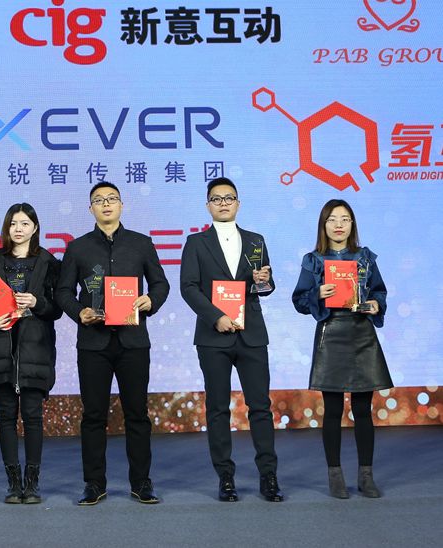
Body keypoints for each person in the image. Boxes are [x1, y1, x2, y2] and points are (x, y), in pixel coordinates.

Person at [55, 182, 169, 506]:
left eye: (111, 199)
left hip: (133, 342)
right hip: (94, 343)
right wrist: (80, 312)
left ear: (122, 205)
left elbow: (160, 284)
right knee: (93, 416)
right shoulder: (77, 248)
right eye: (98, 200)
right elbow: (63, 291)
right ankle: (94, 484)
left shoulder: (141, 244)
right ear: (90, 208)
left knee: (137, 414)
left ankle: (141, 482)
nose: (106, 204)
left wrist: (150, 300)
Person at [179, 177, 282, 502]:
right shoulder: (196, 242)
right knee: (218, 408)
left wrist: (264, 281)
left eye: (229, 197)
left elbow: (265, 287)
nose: (223, 203)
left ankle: (269, 476)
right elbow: (188, 287)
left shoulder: (255, 240)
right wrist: (216, 317)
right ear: (207, 205)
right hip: (213, 337)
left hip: (252, 334)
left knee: (261, 407)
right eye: (217, 198)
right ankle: (225, 477)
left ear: (238, 203)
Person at [292, 199, 392, 499]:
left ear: (352, 224)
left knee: (363, 410)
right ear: (323, 225)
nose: (339, 224)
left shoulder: (365, 257)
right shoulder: (313, 260)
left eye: (345, 219)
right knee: (333, 410)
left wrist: (376, 304)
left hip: (362, 334)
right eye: (332, 219)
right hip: (331, 333)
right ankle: (335, 475)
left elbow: (379, 292)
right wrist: (317, 293)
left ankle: (366, 476)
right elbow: (299, 301)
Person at [0, 203, 62, 504]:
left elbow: (57, 309)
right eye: (13, 223)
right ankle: (13, 483)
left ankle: (32, 483)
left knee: (33, 417)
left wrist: (37, 303)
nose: (18, 229)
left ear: (35, 228)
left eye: (25, 223)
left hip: (35, 349)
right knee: (6, 416)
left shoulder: (48, 263)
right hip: (1, 347)